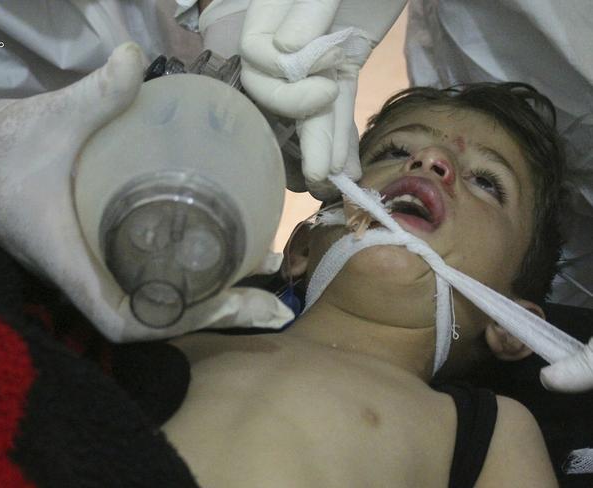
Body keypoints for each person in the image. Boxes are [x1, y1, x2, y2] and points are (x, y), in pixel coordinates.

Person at [160, 82, 562, 487]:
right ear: (301, 246)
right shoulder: (184, 334)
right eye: (397, 152)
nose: (430, 160)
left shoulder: (490, 432)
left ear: (513, 326)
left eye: (487, 182)